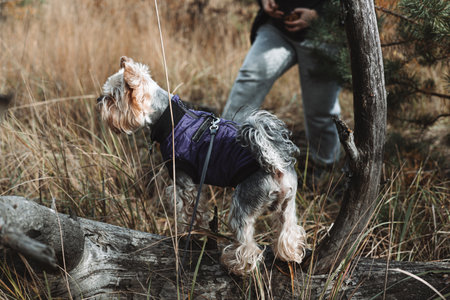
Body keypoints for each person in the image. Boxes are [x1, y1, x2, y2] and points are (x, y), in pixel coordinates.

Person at [222, 0, 341, 172]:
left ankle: (325, 168)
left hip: (325, 36)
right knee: (249, 79)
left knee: (320, 111)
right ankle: (222, 151)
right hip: (277, 28)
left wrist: (319, 15)